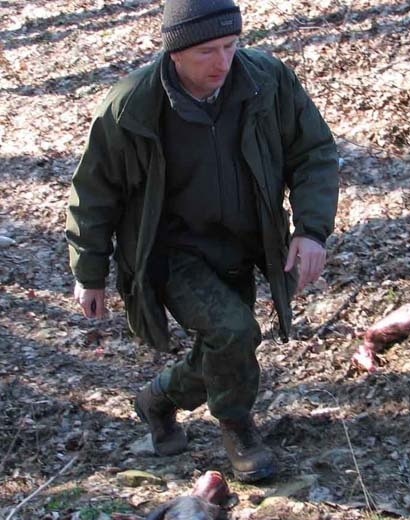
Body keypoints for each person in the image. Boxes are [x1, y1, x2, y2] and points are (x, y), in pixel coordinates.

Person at [65, 0, 339, 483]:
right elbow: (93, 193)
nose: (222, 63)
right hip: (171, 253)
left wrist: (311, 229)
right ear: (175, 54)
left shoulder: (266, 81)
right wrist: (90, 274)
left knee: (231, 341)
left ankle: (160, 397)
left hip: (242, 242)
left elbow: (314, 153)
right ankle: (238, 428)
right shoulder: (131, 106)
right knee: (233, 332)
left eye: (231, 46)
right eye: (206, 52)